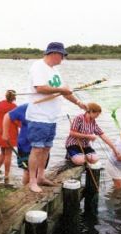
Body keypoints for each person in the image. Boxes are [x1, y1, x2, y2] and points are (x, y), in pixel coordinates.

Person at [26, 42, 86, 193]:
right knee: (37, 149)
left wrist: (78, 102)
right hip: (39, 116)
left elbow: (65, 92)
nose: (63, 58)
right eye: (62, 55)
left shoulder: (55, 72)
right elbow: (40, 88)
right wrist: (61, 89)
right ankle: (32, 181)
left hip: (52, 117)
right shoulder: (38, 66)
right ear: (54, 53)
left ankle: (41, 176)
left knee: (46, 148)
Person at [2, 103, 50, 185]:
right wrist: (5, 133)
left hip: (42, 145)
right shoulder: (26, 107)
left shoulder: (49, 109)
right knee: (28, 171)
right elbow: (7, 116)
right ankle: (26, 189)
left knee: (39, 169)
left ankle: (36, 184)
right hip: (25, 146)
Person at [0, 90, 19, 182]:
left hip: (0, 132)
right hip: (10, 133)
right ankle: (6, 175)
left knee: (2, 153)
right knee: (8, 154)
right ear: (14, 97)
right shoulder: (14, 107)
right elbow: (18, 122)